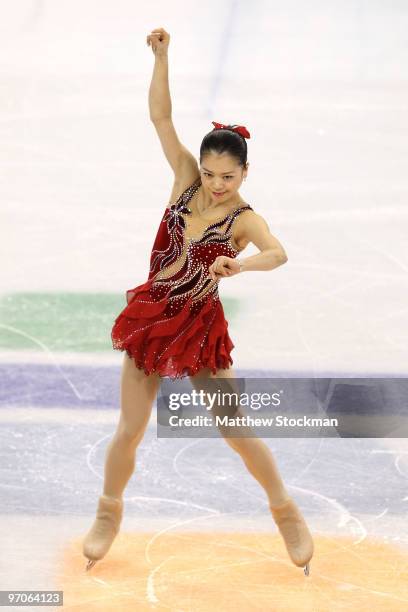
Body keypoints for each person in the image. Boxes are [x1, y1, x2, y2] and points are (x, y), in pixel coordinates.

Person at [82, 27, 314, 577]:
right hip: (152, 317)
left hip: (199, 327)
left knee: (233, 429)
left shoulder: (245, 217)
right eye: (210, 173)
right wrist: (162, 58)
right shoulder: (186, 180)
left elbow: (278, 253)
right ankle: (108, 513)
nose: (215, 184)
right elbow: (162, 119)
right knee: (130, 429)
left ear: (245, 174)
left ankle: (285, 510)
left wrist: (241, 263)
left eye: (226, 177)